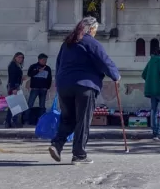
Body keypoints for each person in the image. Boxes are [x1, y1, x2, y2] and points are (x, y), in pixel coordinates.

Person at [50, 17, 120, 164]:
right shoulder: (91, 42)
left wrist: (59, 82)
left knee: (67, 118)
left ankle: (57, 145)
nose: (95, 33)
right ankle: (79, 154)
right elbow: (104, 61)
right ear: (92, 29)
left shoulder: (67, 44)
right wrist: (115, 75)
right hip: (85, 86)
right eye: (96, 30)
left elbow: (58, 64)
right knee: (83, 120)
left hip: (64, 85)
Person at [26, 53, 53, 125]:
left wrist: (47, 87)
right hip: (35, 88)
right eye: (43, 60)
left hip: (43, 89)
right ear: (39, 59)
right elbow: (29, 74)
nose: (45, 61)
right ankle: (26, 120)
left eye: (46, 60)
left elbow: (49, 78)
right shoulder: (33, 66)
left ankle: (41, 121)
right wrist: (38, 70)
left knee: (42, 106)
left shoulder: (48, 68)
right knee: (30, 104)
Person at [5, 52, 26, 128]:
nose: (21, 59)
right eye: (19, 57)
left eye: (22, 58)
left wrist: (21, 78)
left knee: (14, 105)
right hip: (13, 86)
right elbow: (12, 77)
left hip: (15, 86)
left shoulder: (17, 65)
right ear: (15, 57)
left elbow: (16, 76)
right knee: (14, 105)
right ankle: (13, 121)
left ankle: (9, 122)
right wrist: (13, 88)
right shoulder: (13, 65)